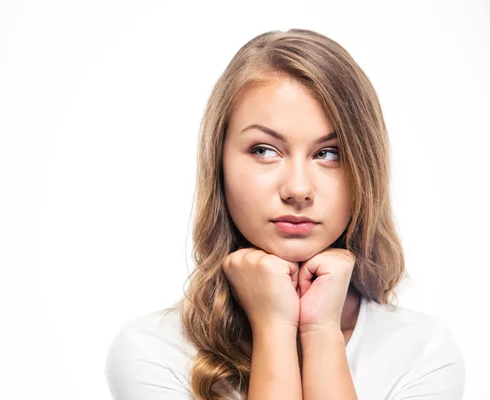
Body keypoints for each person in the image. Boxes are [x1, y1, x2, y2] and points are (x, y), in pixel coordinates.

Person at [104, 28, 465, 399]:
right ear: (219, 163)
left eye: (328, 153)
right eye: (264, 150)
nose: (297, 189)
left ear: (365, 168)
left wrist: (319, 332)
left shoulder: (423, 354)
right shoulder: (154, 353)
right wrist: (274, 328)